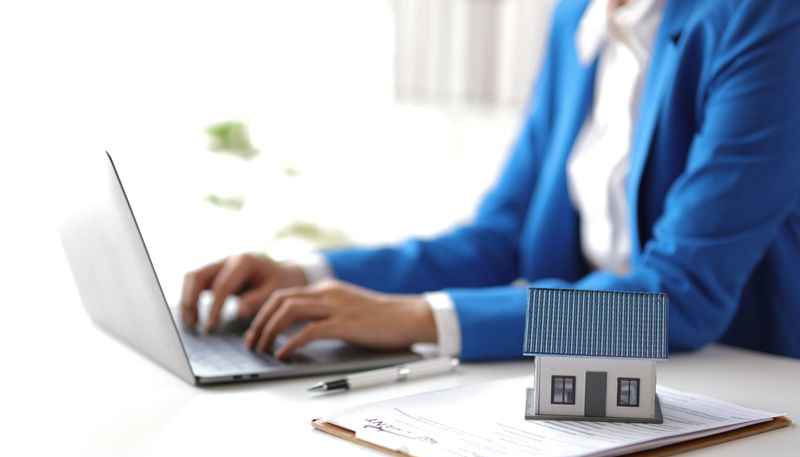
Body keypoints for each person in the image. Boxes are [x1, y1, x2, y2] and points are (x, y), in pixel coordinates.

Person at [181, 0, 800, 362]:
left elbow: (679, 300)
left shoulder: (766, 20)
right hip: (600, 379)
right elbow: (503, 238)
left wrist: (420, 319)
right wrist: (308, 277)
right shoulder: (578, 18)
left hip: (747, 389)